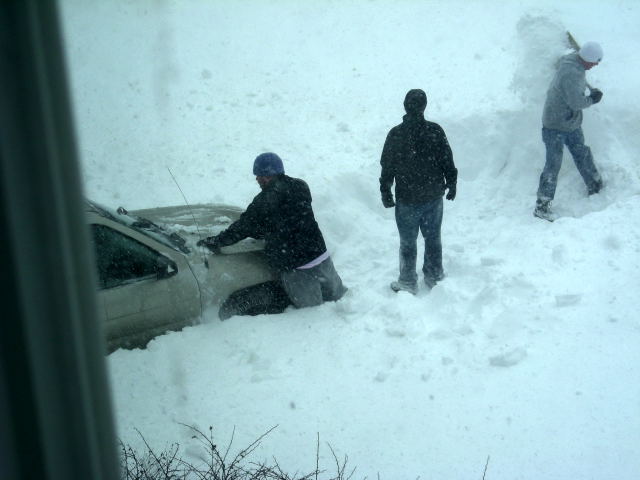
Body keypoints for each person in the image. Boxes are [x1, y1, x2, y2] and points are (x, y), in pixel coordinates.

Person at [198, 152, 347, 309]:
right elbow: (289, 217)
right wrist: (268, 228)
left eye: (260, 175)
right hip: (319, 254)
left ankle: (323, 331)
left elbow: (242, 228)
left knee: (311, 310)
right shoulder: (301, 185)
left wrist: (217, 241)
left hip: (295, 265)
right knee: (338, 297)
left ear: (269, 174)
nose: (257, 179)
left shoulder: (263, 201)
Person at [379, 89, 457, 294]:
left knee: (407, 242)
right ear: (424, 106)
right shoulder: (435, 130)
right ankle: (434, 275)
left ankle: (407, 281)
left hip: (407, 199)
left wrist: (385, 190)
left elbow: (387, 166)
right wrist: (452, 182)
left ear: (405, 106)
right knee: (433, 238)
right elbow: (447, 159)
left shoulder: (396, 134)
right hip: (433, 197)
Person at [534, 41, 604, 221]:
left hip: (569, 122)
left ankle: (595, 186)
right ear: (587, 60)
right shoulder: (572, 74)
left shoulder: (572, 60)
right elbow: (577, 103)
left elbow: (565, 66)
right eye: (595, 61)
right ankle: (543, 206)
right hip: (555, 125)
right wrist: (593, 99)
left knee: (582, 152)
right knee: (553, 165)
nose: (596, 65)